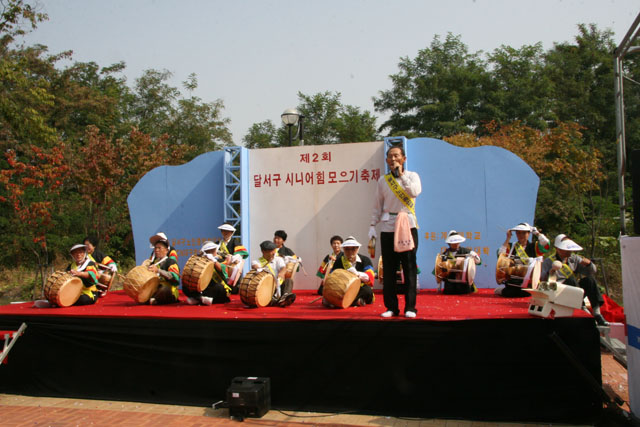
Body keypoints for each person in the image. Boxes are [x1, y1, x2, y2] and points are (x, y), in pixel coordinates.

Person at [369, 145, 421, 318]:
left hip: (407, 224)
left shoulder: (412, 176)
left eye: (397, 156)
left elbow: (415, 192)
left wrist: (402, 176)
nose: (393, 159)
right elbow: (377, 205)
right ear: (386, 160)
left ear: (403, 159)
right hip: (387, 226)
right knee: (389, 269)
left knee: (409, 267)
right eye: (390, 157)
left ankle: (410, 307)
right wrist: (372, 225)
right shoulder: (383, 181)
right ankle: (391, 307)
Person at [541, 234, 609, 326]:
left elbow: (591, 271)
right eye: (565, 248)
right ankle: (583, 309)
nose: (569, 251)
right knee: (570, 280)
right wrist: (551, 273)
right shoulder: (549, 261)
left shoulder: (574, 258)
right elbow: (542, 281)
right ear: (558, 248)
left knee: (590, 280)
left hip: (575, 290)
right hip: (558, 292)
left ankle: (597, 314)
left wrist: (589, 264)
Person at [34, 244, 100, 308]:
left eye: (80, 252)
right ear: (72, 255)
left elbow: (92, 274)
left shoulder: (90, 263)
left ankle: (56, 304)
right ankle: (53, 302)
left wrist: (79, 273)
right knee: (63, 295)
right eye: (75, 253)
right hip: (73, 292)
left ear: (84, 253)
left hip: (88, 292)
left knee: (82, 299)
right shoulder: (71, 266)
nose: (78, 255)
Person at [496, 222, 550, 298]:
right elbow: (500, 255)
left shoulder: (535, 246)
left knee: (526, 294)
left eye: (524, 233)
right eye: (518, 233)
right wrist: (508, 238)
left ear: (528, 234)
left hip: (529, 281)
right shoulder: (511, 246)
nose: (521, 235)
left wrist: (537, 233)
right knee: (510, 293)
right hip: (514, 280)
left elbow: (546, 244)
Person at [324, 236, 375, 307]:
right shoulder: (339, 261)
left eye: (353, 249)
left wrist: (356, 274)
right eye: (347, 249)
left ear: (358, 249)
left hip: (360, 288)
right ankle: (356, 301)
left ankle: (345, 302)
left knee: (367, 291)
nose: (350, 252)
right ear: (343, 249)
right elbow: (333, 277)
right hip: (343, 288)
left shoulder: (365, 260)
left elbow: (370, 277)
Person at [250, 240, 296, 307]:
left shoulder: (278, 259)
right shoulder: (256, 261)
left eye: (274, 250)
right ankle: (278, 301)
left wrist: (281, 273)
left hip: (277, 284)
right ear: (263, 251)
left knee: (289, 281)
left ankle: (284, 296)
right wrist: (258, 268)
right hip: (265, 288)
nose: (274, 253)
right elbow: (255, 266)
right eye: (271, 251)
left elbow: (283, 268)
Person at [184, 241, 231, 306]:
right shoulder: (200, 261)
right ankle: (201, 299)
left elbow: (222, 268)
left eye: (212, 250)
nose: (211, 252)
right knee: (186, 287)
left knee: (220, 288)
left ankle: (199, 299)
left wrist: (213, 260)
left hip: (214, 287)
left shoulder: (220, 260)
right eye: (208, 251)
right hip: (203, 288)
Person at [438, 230, 481, 295]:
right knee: (449, 291)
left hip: (463, 283)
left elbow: (479, 262)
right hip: (450, 283)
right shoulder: (445, 254)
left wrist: (475, 257)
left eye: (458, 242)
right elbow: (438, 270)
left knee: (463, 290)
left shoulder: (466, 251)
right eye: (454, 242)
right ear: (449, 243)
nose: (456, 244)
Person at [147, 234, 180, 305]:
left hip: (168, 290)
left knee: (165, 290)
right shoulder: (153, 263)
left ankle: (153, 300)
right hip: (156, 289)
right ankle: (153, 300)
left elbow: (175, 277)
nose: (156, 250)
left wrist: (158, 271)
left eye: (159, 248)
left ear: (166, 250)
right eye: (155, 248)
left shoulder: (171, 262)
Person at [215, 223, 248, 293]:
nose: (226, 233)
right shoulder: (217, 244)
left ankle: (231, 284)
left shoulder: (235, 242)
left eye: (228, 231)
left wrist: (231, 258)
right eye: (224, 231)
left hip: (231, 267)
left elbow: (241, 255)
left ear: (232, 232)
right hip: (220, 265)